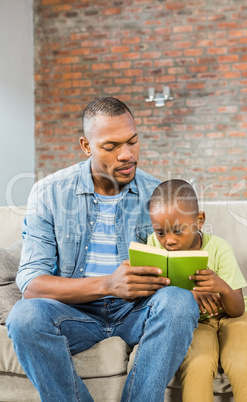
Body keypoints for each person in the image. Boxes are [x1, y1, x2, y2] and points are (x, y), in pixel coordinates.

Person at [6, 97, 199, 402]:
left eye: (133, 141)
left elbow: (184, 259)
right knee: (25, 317)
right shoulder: (49, 193)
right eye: (111, 146)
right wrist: (108, 284)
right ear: (86, 146)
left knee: (179, 302)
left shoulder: (158, 194)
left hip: (136, 310)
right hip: (74, 313)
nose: (127, 155)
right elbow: (32, 284)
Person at [148, 179, 247, 402]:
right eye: (160, 233)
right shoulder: (154, 246)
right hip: (195, 323)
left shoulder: (219, 248)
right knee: (197, 363)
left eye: (177, 231)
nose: (169, 241)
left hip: (233, 317)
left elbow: (237, 309)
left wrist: (221, 286)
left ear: (199, 221)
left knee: (243, 360)